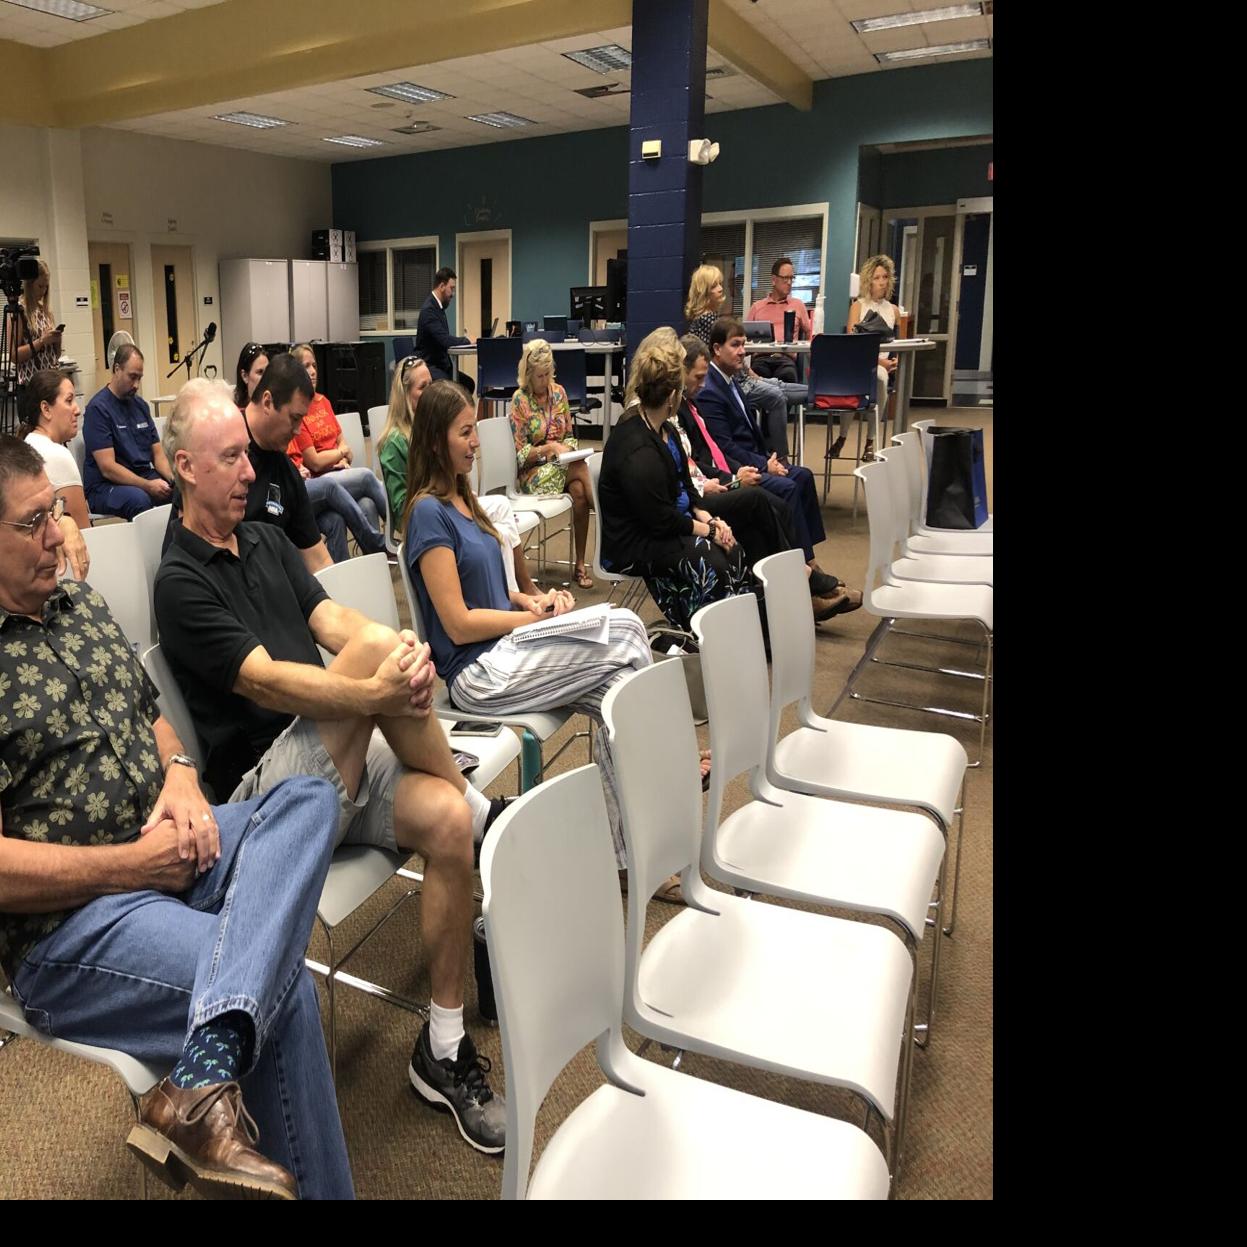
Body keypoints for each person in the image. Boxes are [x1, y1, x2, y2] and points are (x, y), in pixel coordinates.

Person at [155, 379, 508, 1155]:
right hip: (261, 803)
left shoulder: (265, 540)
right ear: (184, 467)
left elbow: (334, 619)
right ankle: (491, 818)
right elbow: (264, 678)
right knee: (382, 657)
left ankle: (442, 1047)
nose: (251, 471)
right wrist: (376, 678)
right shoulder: (178, 581)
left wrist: (397, 657)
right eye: (230, 459)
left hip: (337, 753)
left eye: (248, 456)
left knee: (443, 820)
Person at [0, 435, 353, 1200]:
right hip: (73, 924)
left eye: (57, 512)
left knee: (307, 799)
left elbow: (151, 715)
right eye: (33, 523)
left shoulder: (79, 604)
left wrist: (184, 778)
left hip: (171, 849)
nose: (60, 536)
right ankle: (214, 1072)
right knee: (279, 989)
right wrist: (132, 866)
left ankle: (199, 1074)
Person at [405, 379, 652, 861]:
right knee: (626, 629)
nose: (476, 442)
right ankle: (674, 765)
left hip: (506, 650)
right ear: (436, 441)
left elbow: (496, 591)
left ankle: (625, 852)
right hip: (476, 673)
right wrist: (528, 624)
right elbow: (456, 624)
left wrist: (532, 603)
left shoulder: (465, 502)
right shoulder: (427, 514)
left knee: (619, 691)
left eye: (474, 430)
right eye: (465, 433)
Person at [676, 338, 860, 622]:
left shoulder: (689, 404)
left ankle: (801, 579)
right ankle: (802, 585)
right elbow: (686, 470)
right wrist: (735, 479)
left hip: (713, 480)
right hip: (701, 493)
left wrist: (739, 474)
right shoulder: (673, 413)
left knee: (783, 494)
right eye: (698, 377)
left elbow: (700, 460)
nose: (702, 384)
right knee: (763, 499)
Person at [598, 328, 751, 636]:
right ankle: (705, 640)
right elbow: (660, 520)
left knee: (733, 549)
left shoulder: (665, 430)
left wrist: (712, 520)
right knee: (713, 561)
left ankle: (733, 639)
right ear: (672, 396)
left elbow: (687, 489)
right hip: (634, 542)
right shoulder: (636, 446)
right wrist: (708, 531)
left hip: (663, 526)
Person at [164, 355, 335, 572]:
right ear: (267, 402)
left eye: (244, 452)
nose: (298, 430)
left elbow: (318, 560)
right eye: (294, 418)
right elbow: (194, 551)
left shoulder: (286, 472)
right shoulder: (211, 449)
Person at [684, 264, 802, 459]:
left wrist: (749, 373)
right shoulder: (708, 320)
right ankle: (781, 458)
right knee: (777, 394)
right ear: (704, 291)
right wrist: (748, 375)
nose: (721, 289)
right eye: (715, 286)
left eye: (721, 284)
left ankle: (815, 393)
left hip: (739, 377)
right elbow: (720, 363)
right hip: (733, 383)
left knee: (778, 385)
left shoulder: (705, 318)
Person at [285, 344, 386, 554]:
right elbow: (314, 461)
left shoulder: (324, 402)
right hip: (322, 478)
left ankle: (375, 567)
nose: (312, 371)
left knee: (367, 503)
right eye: (306, 366)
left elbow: (346, 446)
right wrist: (339, 454)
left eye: (314, 365)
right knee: (367, 477)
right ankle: (398, 534)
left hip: (339, 472)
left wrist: (341, 456)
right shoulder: (298, 410)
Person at [509, 337, 594, 588]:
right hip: (532, 475)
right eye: (539, 376)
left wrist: (567, 448)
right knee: (580, 468)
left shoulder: (559, 393)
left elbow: (569, 434)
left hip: (562, 466)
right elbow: (520, 455)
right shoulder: (519, 400)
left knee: (579, 492)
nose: (545, 381)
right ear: (527, 374)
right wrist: (549, 449)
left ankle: (580, 564)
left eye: (548, 374)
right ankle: (607, 519)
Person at [82, 345, 173, 519]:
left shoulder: (141, 406)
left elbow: (158, 455)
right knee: (140, 500)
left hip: (141, 476)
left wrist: (172, 479)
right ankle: (149, 546)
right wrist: (147, 485)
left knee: (178, 493)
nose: (136, 384)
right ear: (117, 369)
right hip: (105, 485)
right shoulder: (98, 409)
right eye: (132, 377)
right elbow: (108, 468)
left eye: (140, 378)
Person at [18, 368, 91, 581]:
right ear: (46, 409)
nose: (77, 410)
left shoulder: (28, 444)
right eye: (69, 401)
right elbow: (86, 535)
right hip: (66, 574)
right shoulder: (57, 455)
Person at [840, 253, 901, 463]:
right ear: (868, 280)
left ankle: (870, 440)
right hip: (859, 362)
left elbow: (898, 344)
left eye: (885, 277)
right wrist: (877, 361)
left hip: (882, 367)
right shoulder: (858, 306)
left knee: (882, 378)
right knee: (852, 383)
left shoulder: (893, 310)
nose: (882, 282)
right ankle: (842, 435)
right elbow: (851, 342)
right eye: (877, 277)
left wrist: (894, 361)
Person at [378, 353, 433, 529]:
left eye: (431, 384)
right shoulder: (394, 443)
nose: (431, 392)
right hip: (423, 521)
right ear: (406, 394)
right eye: (423, 387)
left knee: (499, 509)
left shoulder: (433, 429)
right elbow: (401, 511)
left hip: (442, 509)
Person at [745, 256, 812, 384]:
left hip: (785, 359)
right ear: (774, 280)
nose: (789, 282)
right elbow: (745, 341)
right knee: (758, 377)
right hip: (761, 359)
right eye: (785, 278)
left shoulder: (798, 305)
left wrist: (815, 366)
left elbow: (810, 335)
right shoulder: (757, 307)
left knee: (787, 376)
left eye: (792, 278)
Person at [416, 267, 474, 395]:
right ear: (442, 286)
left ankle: (458, 415)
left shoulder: (438, 308)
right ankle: (449, 414)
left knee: (468, 384)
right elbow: (445, 340)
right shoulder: (429, 310)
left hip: (441, 365)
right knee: (454, 388)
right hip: (429, 365)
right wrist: (467, 340)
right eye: (451, 288)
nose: (452, 294)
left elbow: (444, 339)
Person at [10, 259, 62, 386]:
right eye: (40, 286)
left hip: (50, 383)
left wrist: (57, 340)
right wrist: (41, 341)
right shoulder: (20, 311)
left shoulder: (45, 311)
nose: (43, 291)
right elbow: (14, 356)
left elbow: (56, 355)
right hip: (31, 386)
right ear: (30, 284)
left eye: (46, 287)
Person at [233, 341, 270, 410]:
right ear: (245, 376)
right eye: (260, 372)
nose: (266, 377)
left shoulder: (273, 410)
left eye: (268, 371)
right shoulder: (235, 414)